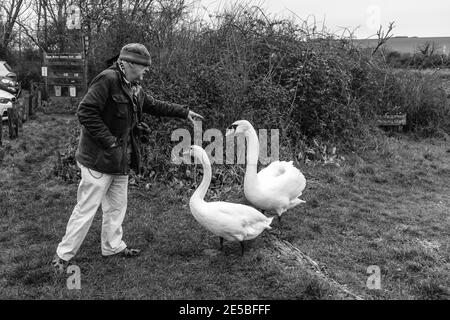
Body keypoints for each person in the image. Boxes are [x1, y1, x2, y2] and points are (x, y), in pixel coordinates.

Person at [51, 43, 203, 274]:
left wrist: (184, 112)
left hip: (121, 161)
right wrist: (109, 141)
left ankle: (112, 247)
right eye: (144, 66)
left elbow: (154, 105)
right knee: (86, 209)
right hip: (98, 160)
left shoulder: (134, 87)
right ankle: (63, 256)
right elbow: (85, 112)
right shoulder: (107, 79)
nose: (147, 71)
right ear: (130, 63)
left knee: (116, 208)